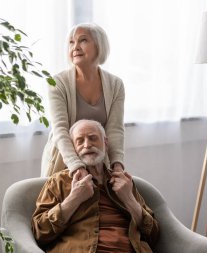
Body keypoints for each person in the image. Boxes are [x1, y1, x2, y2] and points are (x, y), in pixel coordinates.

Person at [32, 119, 159, 253]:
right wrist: (74, 198)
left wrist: (128, 198)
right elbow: (40, 232)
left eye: (93, 138)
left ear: (105, 142)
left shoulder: (124, 182)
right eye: (80, 141)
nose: (87, 145)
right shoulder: (59, 181)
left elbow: (153, 235)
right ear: (73, 148)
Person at [41, 23, 125, 177]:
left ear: (99, 46)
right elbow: (60, 129)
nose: (75, 47)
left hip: (98, 163)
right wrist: (76, 166)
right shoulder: (57, 83)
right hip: (63, 161)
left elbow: (115, 129)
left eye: (83, 40)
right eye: (71, 42)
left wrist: (117, 164)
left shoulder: (116, 84)